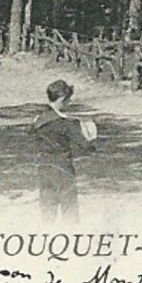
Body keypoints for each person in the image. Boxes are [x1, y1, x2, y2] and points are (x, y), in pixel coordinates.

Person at [31, 79, 96, 222]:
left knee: (47, 205)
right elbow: (85, 146)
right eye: (68, 99)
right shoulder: (66, 124)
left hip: (44, 166)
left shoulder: (38, 120)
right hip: (63, 166)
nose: (69, 102)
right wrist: (89, 132)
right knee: (69, 205)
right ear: (61, 99)